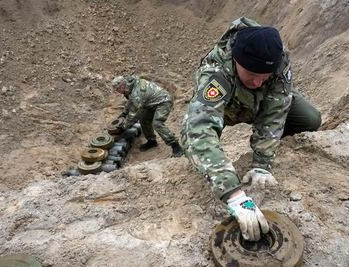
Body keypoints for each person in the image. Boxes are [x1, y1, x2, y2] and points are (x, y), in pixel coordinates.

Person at [181, 17, 322, 241]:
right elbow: (199, 129)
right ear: (237, 61)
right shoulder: (216, 73)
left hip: (260, 103)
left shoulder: (277, 58)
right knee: (198, 143)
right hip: (227, 106)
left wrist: (262, 165)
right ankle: (211, 167)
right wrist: (234, 195)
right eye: (252, 75)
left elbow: (276, 111)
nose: (258, 82)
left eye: (263, 77)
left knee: (310, 118)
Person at [109, 75, 183, 157]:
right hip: (151, 102)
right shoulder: (131, 85)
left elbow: (134, 114)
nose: (118, 92)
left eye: (117, 89)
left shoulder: (137, 93)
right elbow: (130, 101)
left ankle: (175, 146)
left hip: (163, 102)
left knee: (157, 123)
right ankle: (152, 141)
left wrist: (124, 127)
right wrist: (124, 113)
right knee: (144, 120)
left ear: (122, 86)